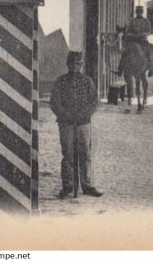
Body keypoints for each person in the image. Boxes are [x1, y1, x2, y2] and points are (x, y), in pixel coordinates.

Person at [50, 51, 103, 198]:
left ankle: (87, 185)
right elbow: (54, 102)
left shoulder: (87, 81)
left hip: (83, 124)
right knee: (68, 154)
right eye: (72, 63)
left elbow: (93, 102)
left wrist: (83, 115)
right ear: (68, 64)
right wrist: (65, 115)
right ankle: (67, 186)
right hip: (66, 124)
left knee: (85, 153)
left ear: (81, 65)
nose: (75, 66)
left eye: (78, 63)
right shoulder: (60, 82)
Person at [126, 6, 153, 74]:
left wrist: (144, 34)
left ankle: (151, 67)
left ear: (142, 12)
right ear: (136, 12)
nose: (139, 13)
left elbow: (149, 31)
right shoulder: (132, 21)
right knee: (126, 51)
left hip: (142, 40)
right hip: (134, 40)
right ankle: (122, 67)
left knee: (148, 50)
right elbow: (128, 31)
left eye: (140, 12)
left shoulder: (146, 21)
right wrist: (133, 34)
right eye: (137, 12)